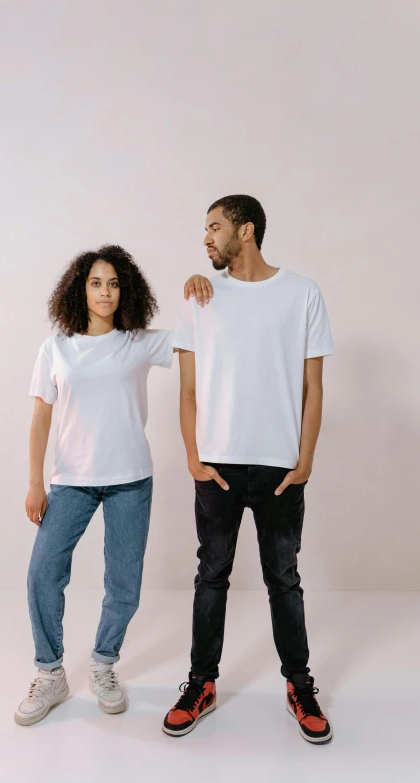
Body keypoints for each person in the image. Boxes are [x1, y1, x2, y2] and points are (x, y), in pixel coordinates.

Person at [163, 195, 335, 744]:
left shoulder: (302, 293)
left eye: (215, 227)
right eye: (204, 229)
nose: (206, 238)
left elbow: (313, 386)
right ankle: (201, 683)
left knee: (283, 577)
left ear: (248, 230)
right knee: (211, 574)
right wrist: (193, 455)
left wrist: (305, 458)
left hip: (280, 467)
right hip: (216, 466)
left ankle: (300, 686)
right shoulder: (198, 297)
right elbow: (187, 390)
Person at [14, 245, 208, 726]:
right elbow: (41, 419)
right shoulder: (56, 346)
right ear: (81, 289)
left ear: (127, 291)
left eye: (114, 283)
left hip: (130, 480)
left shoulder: (140, 341)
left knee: (124, 584)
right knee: (42, 574)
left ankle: (104, 664)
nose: (105, 292)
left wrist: (199, 289)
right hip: (70, 482)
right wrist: (35, 482)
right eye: (97, 282)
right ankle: (51, 672)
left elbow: (203, 333)